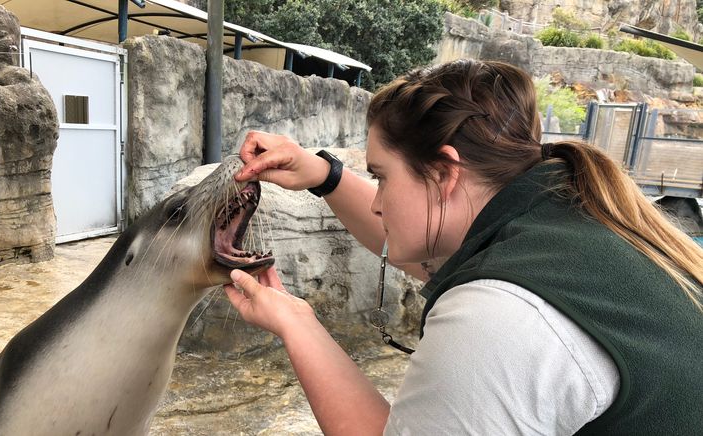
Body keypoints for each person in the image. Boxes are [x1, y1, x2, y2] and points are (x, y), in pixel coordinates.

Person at [223, 59, 703, 435]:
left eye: (381, 177)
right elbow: (422, 236)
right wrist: (324, 175)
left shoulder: (501, 315)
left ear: (445, 173)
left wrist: (296, 322)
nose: (377, 204)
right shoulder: (568, 216)